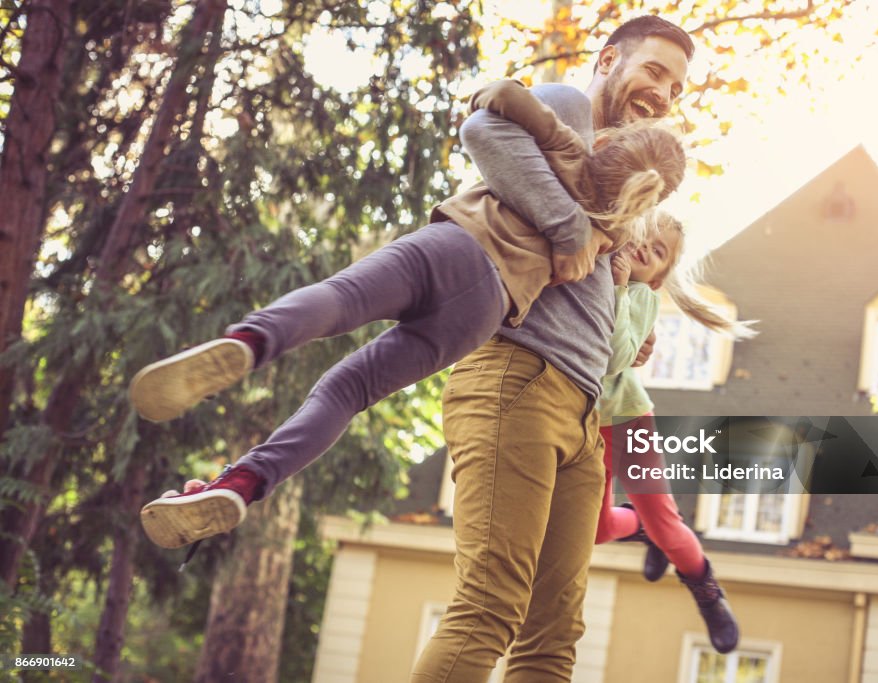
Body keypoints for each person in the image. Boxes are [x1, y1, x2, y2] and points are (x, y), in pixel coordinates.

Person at [133, 79, 687, 550]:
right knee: (348, 391)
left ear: (607, 140)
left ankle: (252, 341)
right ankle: (244, 482)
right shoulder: (606, 236)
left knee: (342, 299)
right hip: (482, 315)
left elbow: (497, 99)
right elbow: (603, 309)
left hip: (458, 251)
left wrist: (497, 93)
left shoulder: (570, 148)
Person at [410, 16, 698, 683]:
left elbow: (585, 290)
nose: (662, 94)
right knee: (488, 607)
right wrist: (570, 228)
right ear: (608, 60)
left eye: (676, 89)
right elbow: (482, 130)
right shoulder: (568, 108)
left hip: (583, 413)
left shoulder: (623, 174)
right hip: (517, 378)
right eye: (653, 71)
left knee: (554, 637)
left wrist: (627, 333)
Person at [595, 211, 752, 655]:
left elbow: (613, 358)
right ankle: (637, 524)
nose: (645, 246)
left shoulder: (641, 296)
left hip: (628, 420)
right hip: (591, 424)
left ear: (659, 277)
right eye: (643, 236)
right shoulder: (600, 269)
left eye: (657, 251)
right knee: (593, 529)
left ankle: (707, 591)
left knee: (667, 526)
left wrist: (623, 286)